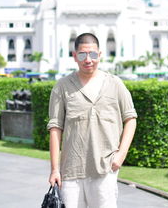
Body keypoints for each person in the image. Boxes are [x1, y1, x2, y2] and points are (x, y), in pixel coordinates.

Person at [47, 33, 137, 208]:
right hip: (71, 172)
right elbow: (55, 128)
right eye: (82, 54)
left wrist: (121, 155)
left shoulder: (115, 84)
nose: (88, 59)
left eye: (93, 54)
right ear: (74, 56)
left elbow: (131, 118)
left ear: (100, 55)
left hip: (105, 169)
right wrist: (54, 169)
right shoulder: (62, 86)